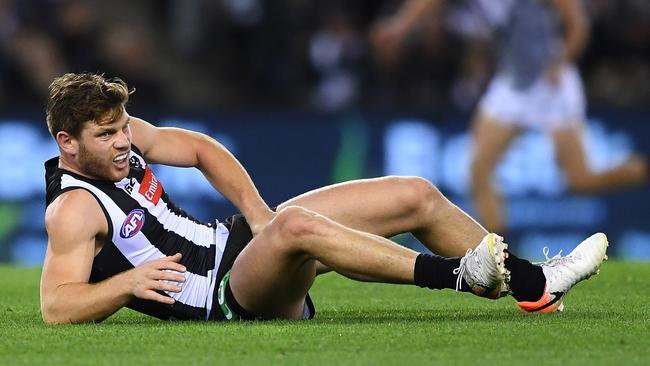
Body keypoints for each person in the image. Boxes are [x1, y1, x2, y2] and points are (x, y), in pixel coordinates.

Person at [40, 73, 607, 324]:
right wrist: (127, 285)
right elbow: (56, 306)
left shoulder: (117, 136)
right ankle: (461, 275)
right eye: (106, 135)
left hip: (236, 245)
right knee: (296, 229)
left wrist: (259, 213)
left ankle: (536, 286)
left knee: (414, 193)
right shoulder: (74, 207)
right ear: (68, 143)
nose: (123, 141)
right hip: (221, 296)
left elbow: (199, 149)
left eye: (122, 129)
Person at [372, 0, 648, 233]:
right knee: (478, 170)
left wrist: (559, 63)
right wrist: (401, 25)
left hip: (550, 85)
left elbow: (578, 25)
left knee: (581, 182)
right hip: (513, 85)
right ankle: (500, 255)